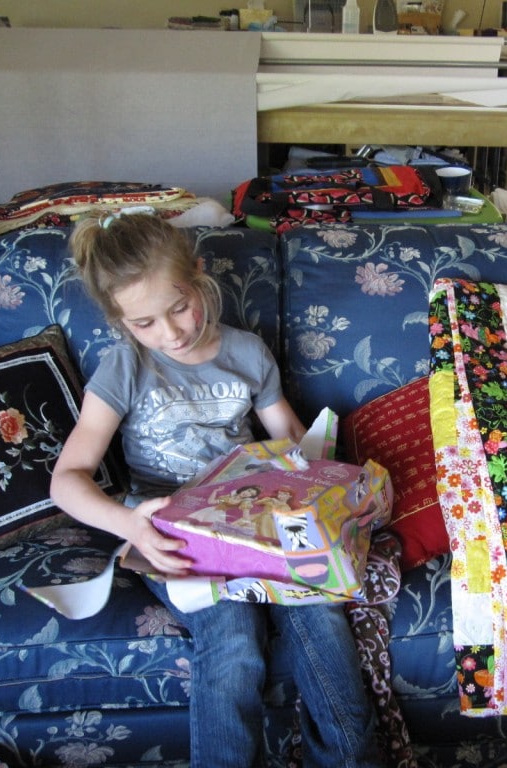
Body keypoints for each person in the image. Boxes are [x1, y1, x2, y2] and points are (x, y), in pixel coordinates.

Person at [50, 210, 381, 768]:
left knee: (319, 613)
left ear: (200, 275)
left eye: (179, 307)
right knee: (231, 638)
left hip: (257, 517)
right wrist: (130, 525)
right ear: (122, 322)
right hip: (170, 532)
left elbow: (293, 444)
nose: (171, 332)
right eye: (145, 322)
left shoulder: (247, 353)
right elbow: (67, 479)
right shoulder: (125, 367)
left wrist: (335, 487)